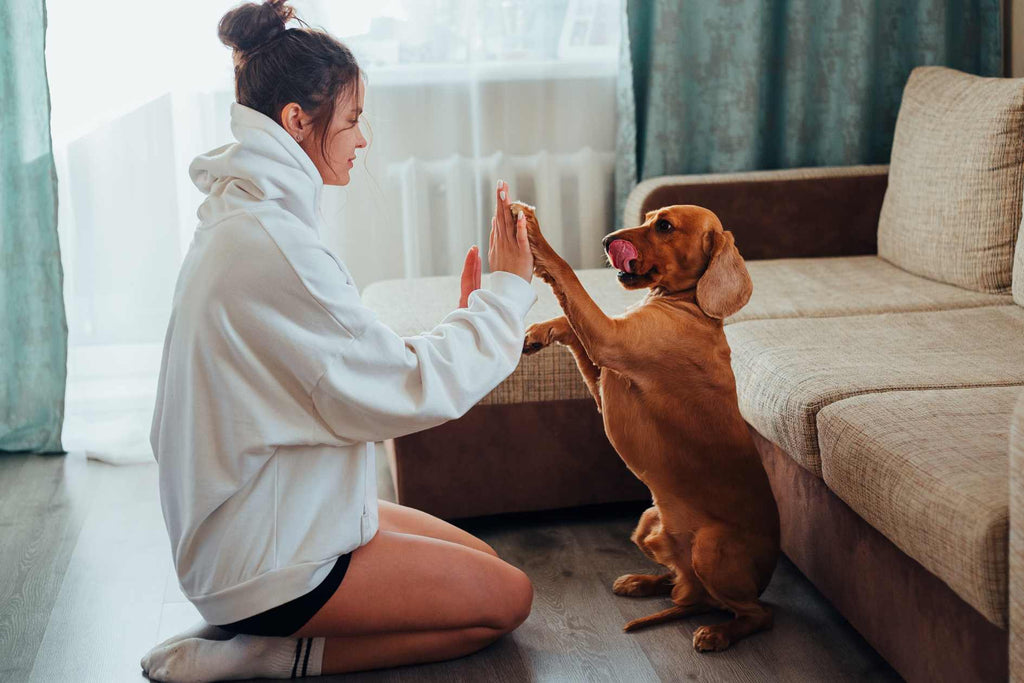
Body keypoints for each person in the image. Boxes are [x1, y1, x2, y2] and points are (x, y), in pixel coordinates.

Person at [141, 1, 537, 680]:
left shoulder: (249, 217)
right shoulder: (272, 245)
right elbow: (404, 387)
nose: (364, 138)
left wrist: (470, 315)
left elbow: (355, 364)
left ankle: (271, 634)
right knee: (507, 600)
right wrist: (505, 294)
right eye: (352, 120)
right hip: (261, 561)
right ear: (296, 120)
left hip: (263, 513)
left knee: (487, 570)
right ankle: (272, 653)